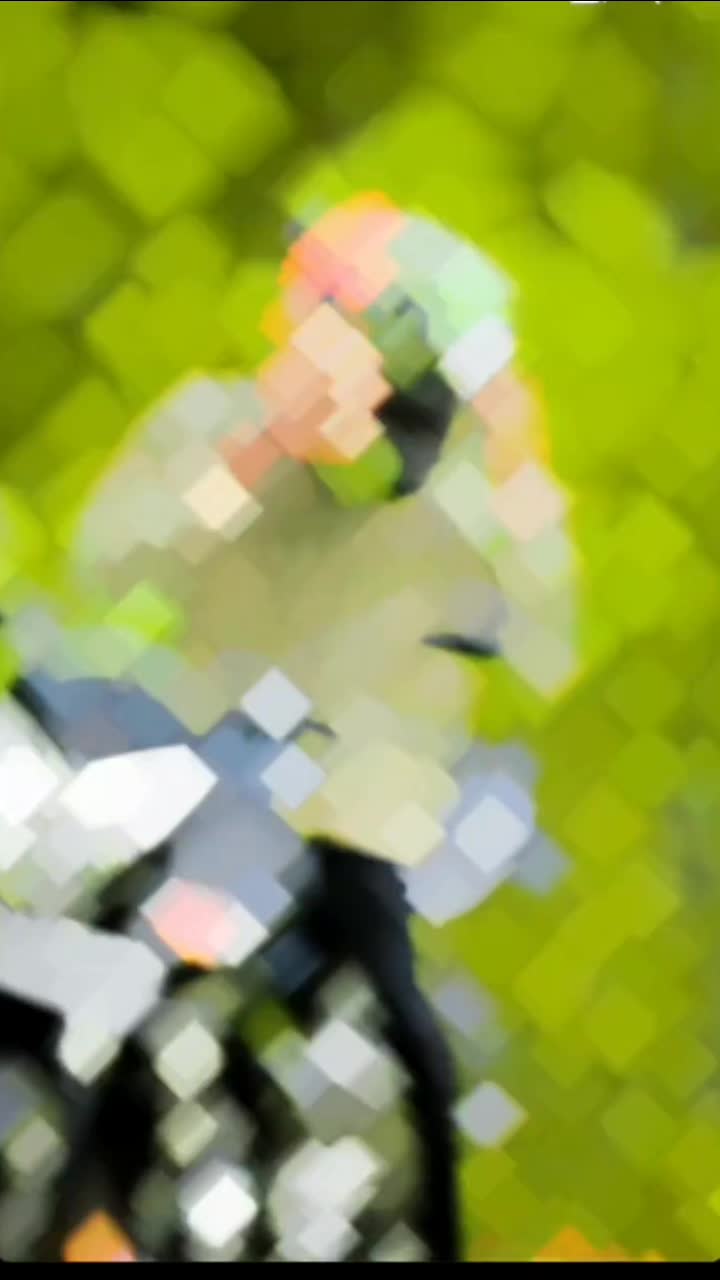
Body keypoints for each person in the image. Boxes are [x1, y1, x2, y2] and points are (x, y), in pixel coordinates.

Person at [2, 194, 580, 1261]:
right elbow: (112, 565)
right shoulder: (214, 427)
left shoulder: (448, 504)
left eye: (344, 317)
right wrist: (262, 445)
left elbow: (546, 638)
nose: (314, 337)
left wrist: (510, 435)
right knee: (90, 987)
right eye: (312, 309)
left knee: (412, 1051)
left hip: (352, 828)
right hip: (190, 786)